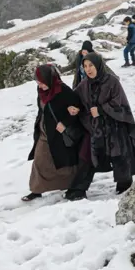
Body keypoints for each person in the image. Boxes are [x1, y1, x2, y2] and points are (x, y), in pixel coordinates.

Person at [72, 53, 135, 194]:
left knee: (119, 155)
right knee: (90, 157)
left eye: (91, 65)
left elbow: (120, 102)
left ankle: (124, 187)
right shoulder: (84, 85)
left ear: (98, 65)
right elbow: (75, 100)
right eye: (85, 66)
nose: (88, 69)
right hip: (96, 128)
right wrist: (73, 108)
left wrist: (101, 110)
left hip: (115, 126)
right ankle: (78, 189)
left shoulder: (112, 81)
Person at [24, 65, 89, 202]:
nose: (40, 85)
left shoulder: (63, 90)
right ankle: (36, 190)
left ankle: (73, 186)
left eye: (41, 82)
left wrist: (65, 123)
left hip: (59, 134)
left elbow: (77, 109)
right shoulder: (41, 91)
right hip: (43, 132)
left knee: (64, 162)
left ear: (49, 78)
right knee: (39, 159)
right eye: (38, 82)